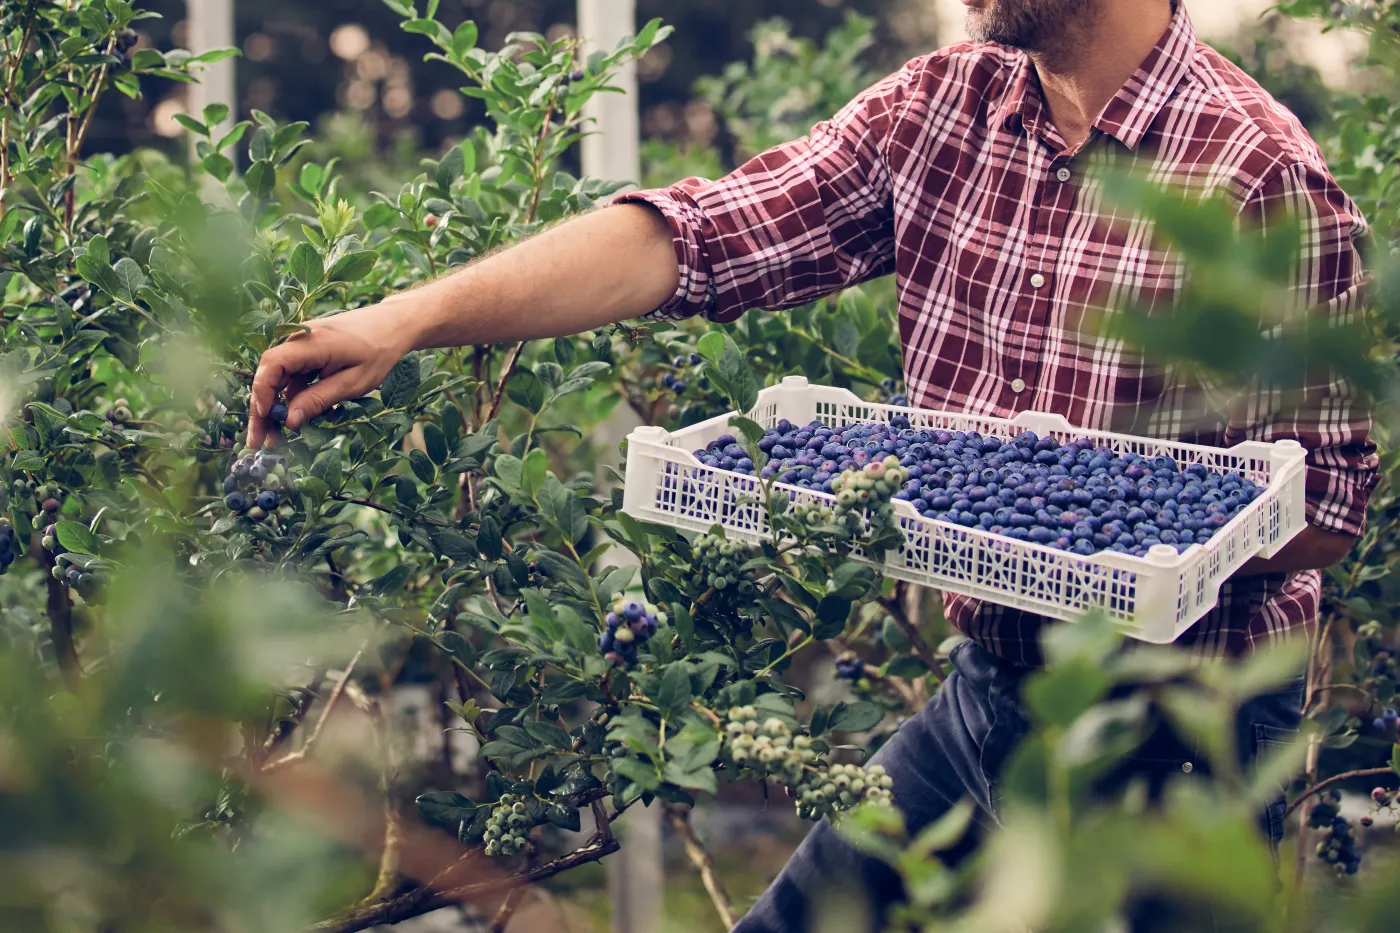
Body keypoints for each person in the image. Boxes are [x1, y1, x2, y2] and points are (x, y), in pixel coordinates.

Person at [250, 0, 1375, 929]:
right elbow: (696, 234)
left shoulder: (1254, 175)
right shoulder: (947, 104)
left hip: (1177, 742)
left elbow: (1324, 507)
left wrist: (1103, 545)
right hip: (988, 690)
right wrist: (403, 319)